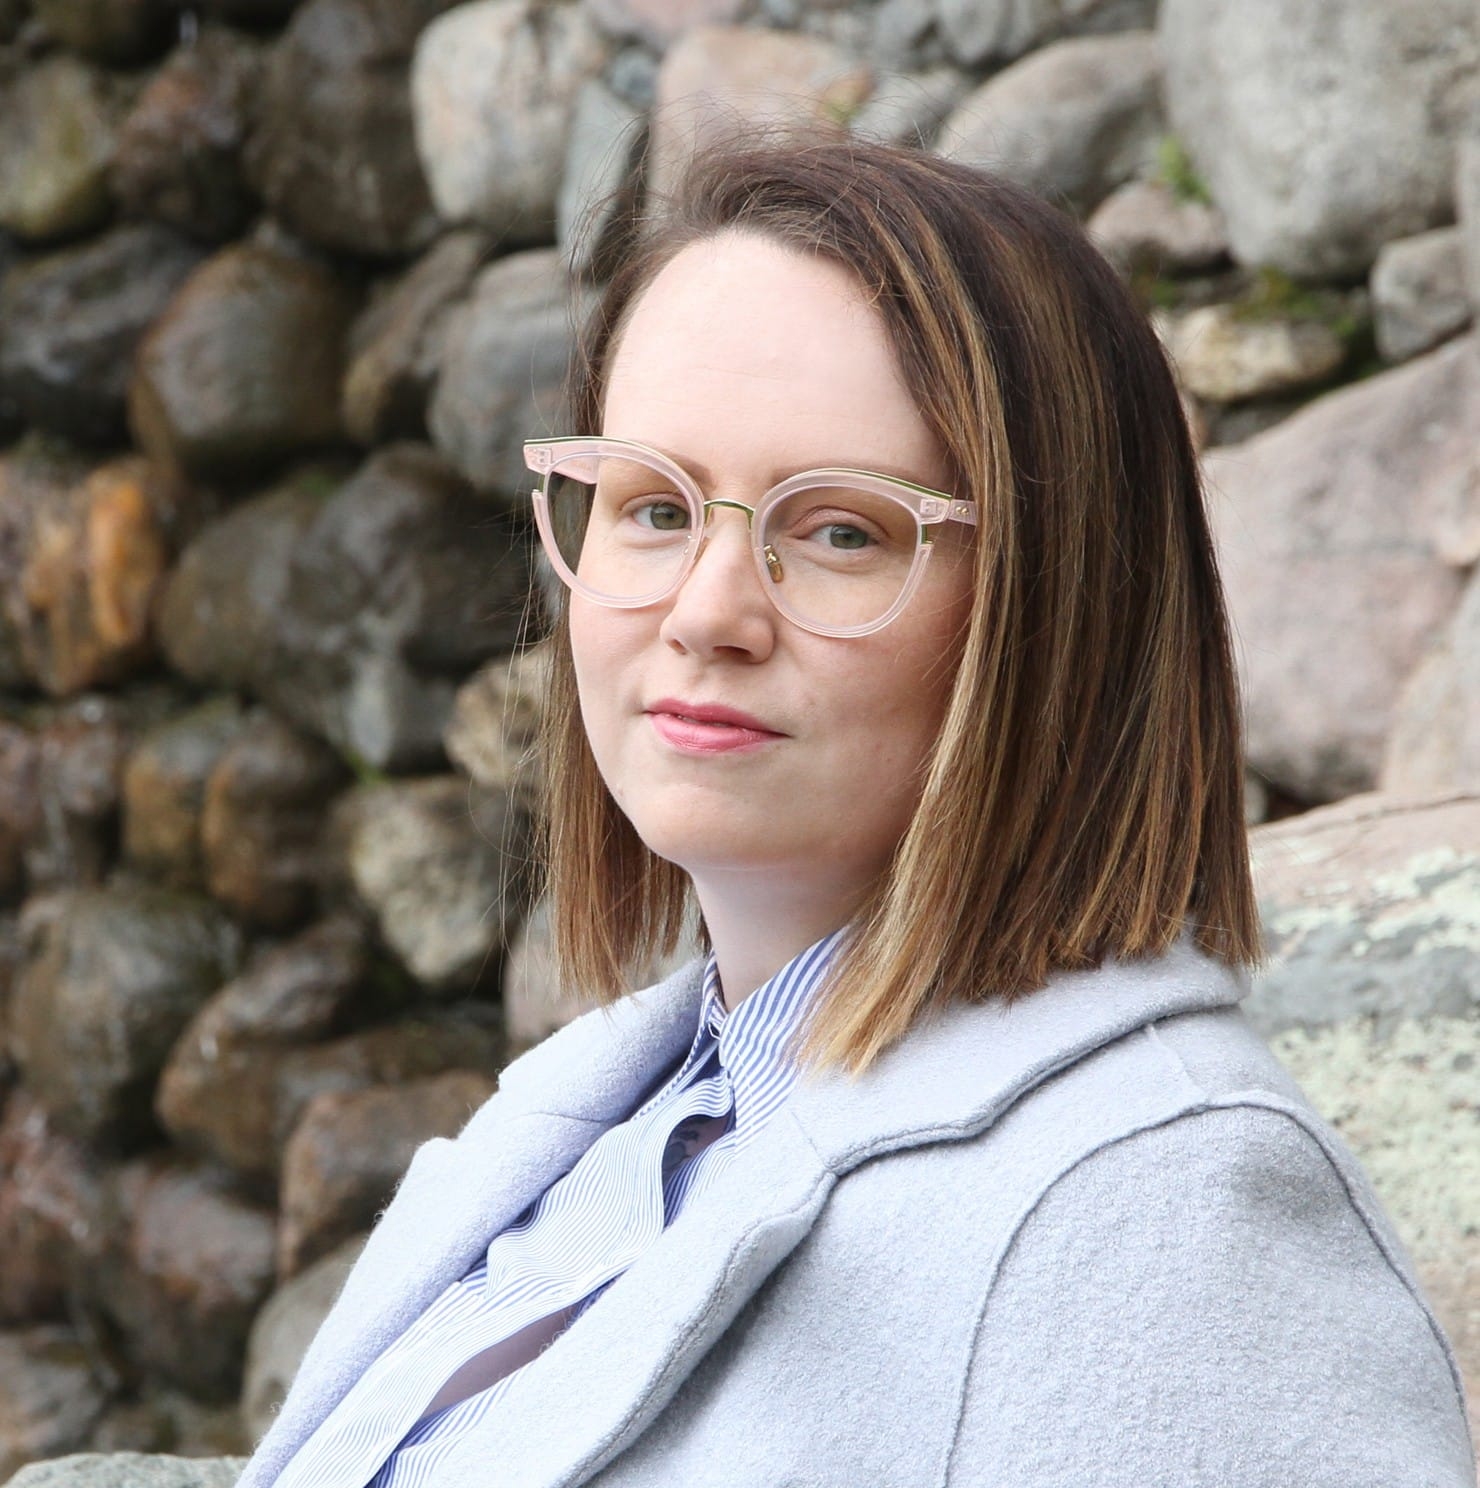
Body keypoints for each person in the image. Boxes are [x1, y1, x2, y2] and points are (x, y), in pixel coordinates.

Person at [237, 137, 1475, 1487]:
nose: (708, 612)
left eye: (842, 532)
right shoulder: (616, 1126)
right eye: (651, 506)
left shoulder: (1168, 1218)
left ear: (1059, 613)